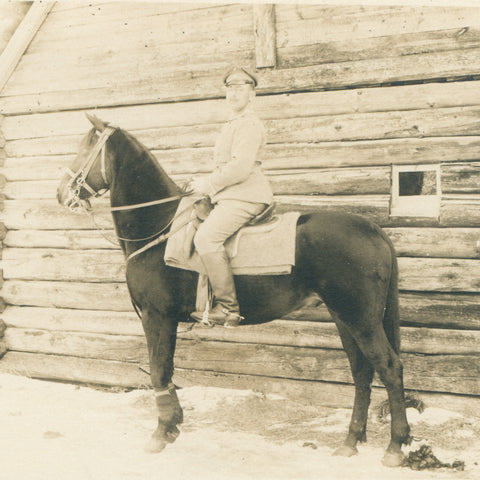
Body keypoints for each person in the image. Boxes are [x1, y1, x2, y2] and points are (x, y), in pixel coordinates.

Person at [189, 66, 274, 327]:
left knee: (206, 237)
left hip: (245, 196)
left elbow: (239, 168)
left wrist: (208, 183)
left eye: (241, 86)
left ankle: (227, 308)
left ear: (253, 94)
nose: (234, 92)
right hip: (229, 196)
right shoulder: (233, 124)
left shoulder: (249, 124)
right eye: (230, 87)